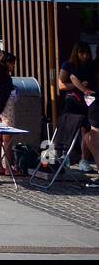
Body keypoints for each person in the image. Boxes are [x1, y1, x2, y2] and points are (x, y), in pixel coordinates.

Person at [57, 42, 96, 172]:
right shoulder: (68, 65)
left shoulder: (91, 66)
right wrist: (79, 86)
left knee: (87, 130)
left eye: (87, 53)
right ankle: (63, 155)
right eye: (82, 53)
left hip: (88, 102)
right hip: (73, 101)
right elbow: (61, 85)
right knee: (70, 128)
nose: (85, 56)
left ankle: (84, 159)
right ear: (76, 53)